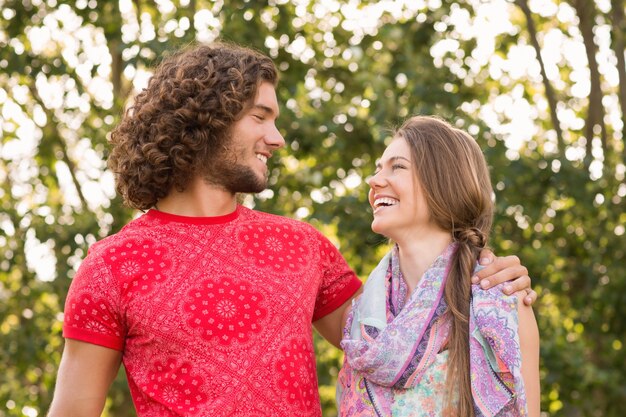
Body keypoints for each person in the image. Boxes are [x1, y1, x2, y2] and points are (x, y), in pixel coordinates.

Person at [47, 43, 535, 417]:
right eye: (261, 117)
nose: (277, 139)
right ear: (205, 121)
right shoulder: (111, 266)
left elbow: (404, 339)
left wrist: (486, 279)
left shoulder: (301, 247)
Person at [337, 115, 540, 417]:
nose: (375, 180)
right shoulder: (364, 319)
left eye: (398, 167)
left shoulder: (500, 302)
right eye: (378, 169)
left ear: (443, 182)